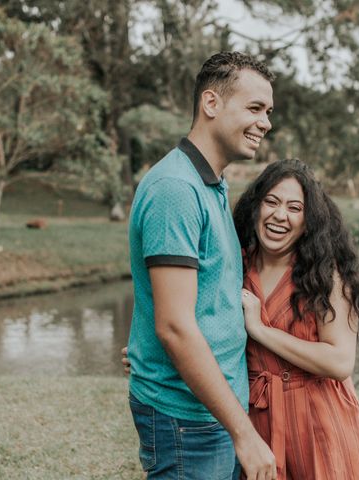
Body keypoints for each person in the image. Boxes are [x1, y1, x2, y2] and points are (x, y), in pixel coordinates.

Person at [126, 52, 277, 480]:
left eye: (267, 112)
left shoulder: (210, 182)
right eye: (254, 108)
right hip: (186, 419)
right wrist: (244, 434)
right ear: (211, 104)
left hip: (213, 409)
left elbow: (195, 300)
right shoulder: (176, 188)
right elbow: (175, 326)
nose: (265, 122)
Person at [234, 159, 359, 479]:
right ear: (255, 207)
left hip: (319, 424)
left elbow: (340, 361)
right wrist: (156, 357)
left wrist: (259, 329)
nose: (279, 215)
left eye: (294, 207)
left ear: (308, 220)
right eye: (271, 202)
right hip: (258, 422)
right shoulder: (236, 265)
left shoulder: (325, 275)